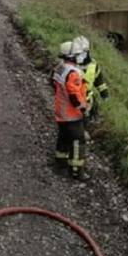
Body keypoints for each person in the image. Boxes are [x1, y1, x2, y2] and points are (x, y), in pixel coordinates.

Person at [52, 42, 89, 179]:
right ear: (72, 56)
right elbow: (74, 94)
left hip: (61, 112)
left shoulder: (60, 68)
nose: (81, 56)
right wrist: (83, 108)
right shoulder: (73, 73)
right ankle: (76, 170)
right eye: (79, 54)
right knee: (78, 140)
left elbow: (54, 84)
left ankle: (60, 163)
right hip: (72, 114)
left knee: (63, 137)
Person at [71, 36, 109, 120]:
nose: (78, 55)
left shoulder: (93, 65)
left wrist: (104, 94)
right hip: (71, 101)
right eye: (76, 53)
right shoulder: (70, 64)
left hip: (87, 101)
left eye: (81, 52)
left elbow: (99, 81)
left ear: (87, 52)